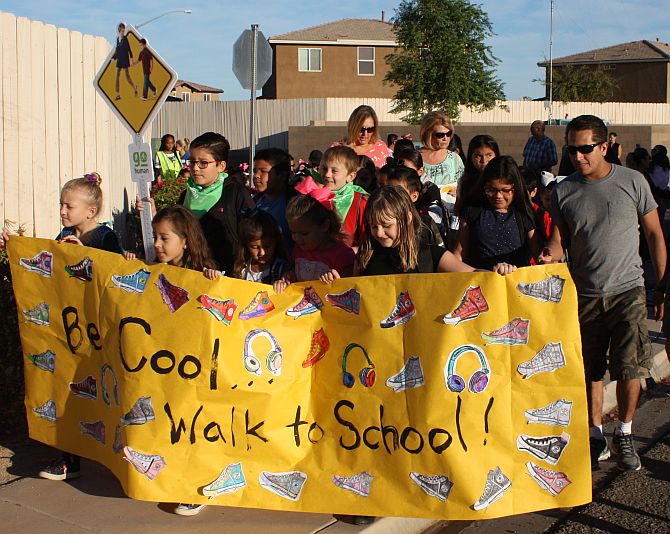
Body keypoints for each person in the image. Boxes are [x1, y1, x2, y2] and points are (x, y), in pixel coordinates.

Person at [539, 115, 667, 472]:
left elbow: (655, 234)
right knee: (590, 370)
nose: (578, 156)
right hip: (584, 295)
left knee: (630, 368)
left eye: (586, 148)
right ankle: (595, 435)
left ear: (604, 146)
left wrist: (663, 284)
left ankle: (623, 433)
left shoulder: (632, 182)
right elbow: (559, 241)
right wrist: (549, 255)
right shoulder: (564, 191)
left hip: (629, 290)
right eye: (572, 149)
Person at [1, 175, 123, 481]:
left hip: (97, 332)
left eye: (69, 206)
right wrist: (15, 247)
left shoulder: (105, 237)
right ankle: (69, 458)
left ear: (91, 211)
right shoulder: (64, 233)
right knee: (69, 389)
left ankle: (114, 453)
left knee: (104, 393)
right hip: (69, 330)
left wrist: (83, 254)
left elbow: (114, 277)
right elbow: (49, 268)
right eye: (61, 204)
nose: (63, 211)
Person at [321, 185, 516, 279]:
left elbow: (472, 274)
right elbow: (354, 292)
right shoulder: (367, 254)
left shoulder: (429, 254)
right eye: (373, 226)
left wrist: (499, 273)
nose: (379, 233)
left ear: (406, 217)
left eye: (387, 225)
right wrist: (338, 284)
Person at [455, 156, 540, 270]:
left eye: (505, 191)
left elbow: (539, 255)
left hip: (515, 283)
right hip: (481, 282)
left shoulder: (523, 214)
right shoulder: (473, 211)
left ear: (516, 188)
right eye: (491, 190)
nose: (498, 196)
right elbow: (460, 253)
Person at [273, 178, 355, 292]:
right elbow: (296, 275)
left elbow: (350, 290)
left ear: (324, 226)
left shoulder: (342, 255)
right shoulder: (299, 249)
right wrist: (287, 279)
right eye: (293, 232)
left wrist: (337, 283)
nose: (297, 238)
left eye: (304, 233)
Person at [124, 205, 220, 280]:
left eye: (164, 238)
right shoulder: (151, 264)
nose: (156, 244)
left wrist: (214, 277)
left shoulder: (201, 272)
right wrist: (131, 260)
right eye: (155, 237)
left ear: (185, 241)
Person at [320, 145, 369, 249]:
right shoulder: (315, 197)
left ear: (350, 176)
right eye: (324, 168)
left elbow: (368, 242)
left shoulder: (361, 202)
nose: (327, 174)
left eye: (334, 171)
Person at [387, 166, 443, 247]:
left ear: (414, 196)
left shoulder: (425, 224)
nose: (391, 196)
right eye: (388, 190)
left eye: (398, 192)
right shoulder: (381, 219)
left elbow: (438, 249)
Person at [232, 210, 290, 283]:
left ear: (276, 242)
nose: (262, 253)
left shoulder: (282, 270)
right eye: (254, 247)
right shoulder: (242, 268)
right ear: (245, 245)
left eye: (267, 246)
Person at [418, 112, 464, 197]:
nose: (445, 138)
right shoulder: (415, 157)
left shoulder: (454, 158)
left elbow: (464, 184)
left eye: (449, 134)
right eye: (440, 135)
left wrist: (458, 191)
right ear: (428, 134)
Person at [252, 148, 293, 244]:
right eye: (255, 171)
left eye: (263, 171)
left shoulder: (296, 203)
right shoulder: (252, 205)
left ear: (282, 175)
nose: (256, 176)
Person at [456, 135, 501, 216]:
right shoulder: (465, 181)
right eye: (478, 156)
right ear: (471, 156)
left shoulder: (503, 180)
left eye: (489, 155)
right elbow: (458, 208)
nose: (483, 160)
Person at [113, 22, 138, 101]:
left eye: (124, 31)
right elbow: (117, 50)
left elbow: (129, 49)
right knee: (117, 75)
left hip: (125, 59)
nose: (123, 32)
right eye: (122, 31)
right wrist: (114, 58)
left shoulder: (125, 39)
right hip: (119, 59)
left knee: (127, 76)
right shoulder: (117, 39)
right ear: (119, 30)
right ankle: (117, 94)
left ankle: (134, 87)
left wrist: (132, 59)